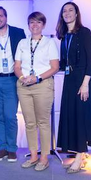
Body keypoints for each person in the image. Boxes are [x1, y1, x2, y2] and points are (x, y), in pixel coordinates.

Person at [56, 2, 91, 174]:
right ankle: (82, 154)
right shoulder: (65, 36)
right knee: (72, 116)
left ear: (77, 14)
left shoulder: (84, 33)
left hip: (83, 81)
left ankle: (79, 157)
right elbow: (64, 63)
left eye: (71, 10)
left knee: (81, 118)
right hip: (69, 81)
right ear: (62, 15)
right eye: (65, 11)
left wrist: (85, 83)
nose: (68, 13)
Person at [14, 12, 59, 171]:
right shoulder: (22, 43)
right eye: (32, 22)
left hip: (43, 85)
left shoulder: (49, 43)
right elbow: (17, 66)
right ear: (28, 25)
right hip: (24, 86)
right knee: (30, 123)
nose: (35, 25)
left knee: (43, 122)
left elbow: (55, 67)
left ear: (43, 25)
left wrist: (37, 78)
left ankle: (44, 157)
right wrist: (22, 78)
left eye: (38, 22)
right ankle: (33, 155)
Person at [0, 6, 26, 162]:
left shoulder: (18, 33)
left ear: (6, 17)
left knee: (10, 116)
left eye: (1, 16)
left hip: (12, 79)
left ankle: (12, 148)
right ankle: (2, 148)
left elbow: (25, 54)